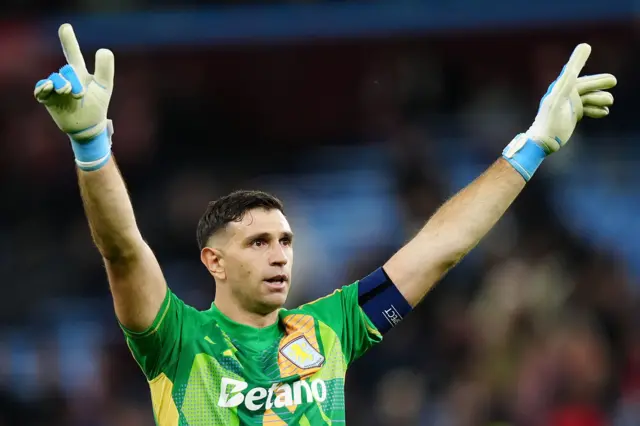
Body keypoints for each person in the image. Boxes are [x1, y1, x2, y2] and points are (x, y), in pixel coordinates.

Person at [34, 23, 616, 425]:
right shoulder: (176, 341)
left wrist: (532, 145)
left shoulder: (330, 327)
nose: (280, 254)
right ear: (214, 260)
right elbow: (123, 250)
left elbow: (440, 247)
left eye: (285, 240)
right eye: (258, 242)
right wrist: (91, 146)